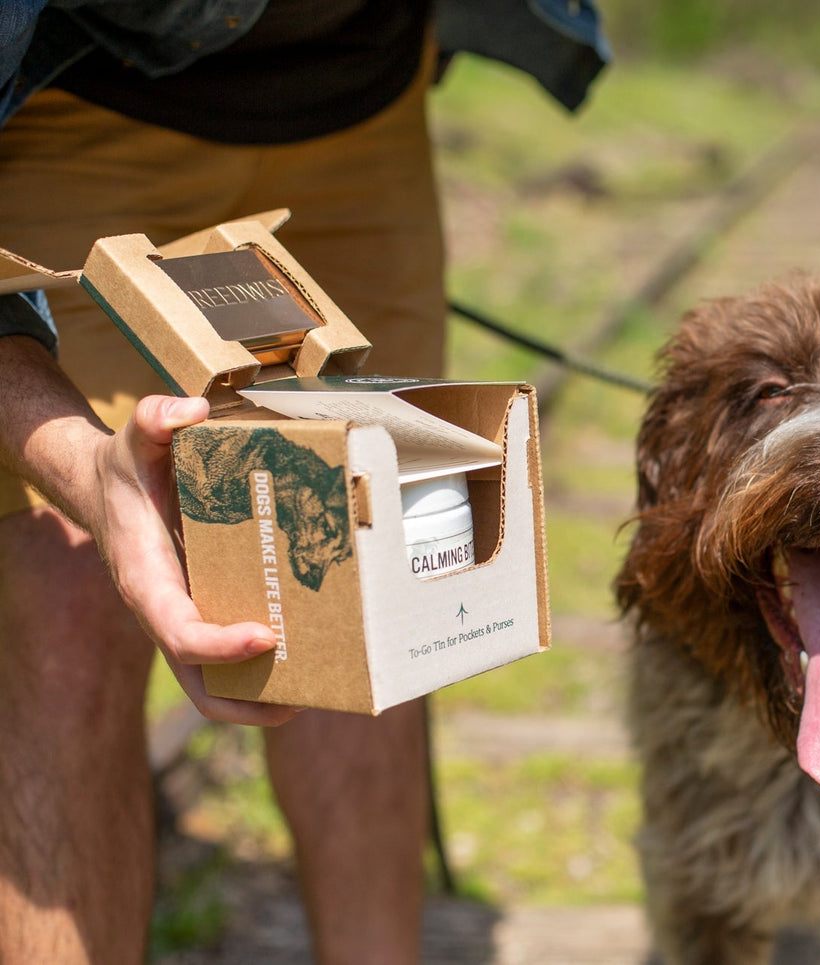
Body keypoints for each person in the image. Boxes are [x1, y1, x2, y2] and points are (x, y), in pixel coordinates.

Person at [0, 2, 606, 962]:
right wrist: (78, 462)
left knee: (378, 560)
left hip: (357, 109)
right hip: (72, 107)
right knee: (68, 594)